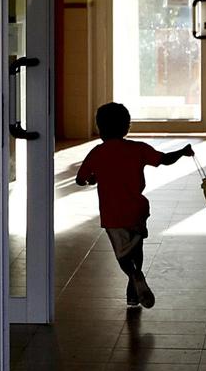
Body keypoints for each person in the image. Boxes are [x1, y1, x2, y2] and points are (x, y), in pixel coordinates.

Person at [75, 102, 194, 308]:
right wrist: (182, 151)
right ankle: (133, 294)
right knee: (137, 250)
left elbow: (80, 179)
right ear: (127, 127)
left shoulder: (97, 152)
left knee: (123, 254)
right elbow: (164, 160)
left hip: (112, 214)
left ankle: (135, 275)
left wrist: (93, 178)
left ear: (99, 128)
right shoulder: (138, 149)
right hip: (137, 211)